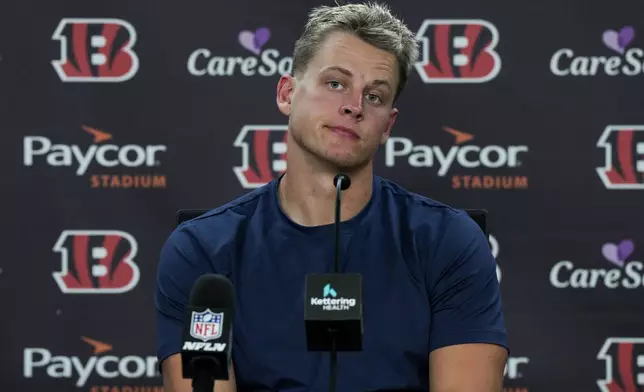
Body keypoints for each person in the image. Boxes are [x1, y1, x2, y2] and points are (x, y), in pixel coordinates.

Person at [155, 2, 509, 391]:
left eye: (374, 96)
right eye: (335, 83)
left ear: (388, 125)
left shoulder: (448, 241)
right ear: (287, 93)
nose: (353, 106)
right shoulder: (203, 252)